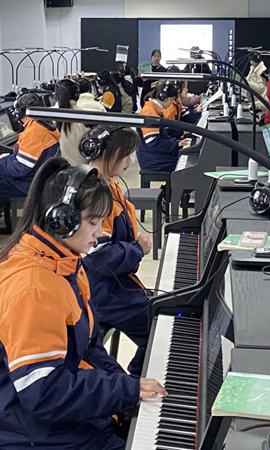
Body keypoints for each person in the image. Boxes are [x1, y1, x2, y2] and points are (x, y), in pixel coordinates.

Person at [0, 158, 166, 449]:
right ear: (62, 221)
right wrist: (122, 391)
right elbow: (43, 392)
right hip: (30, 430)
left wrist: (124, 391)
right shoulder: (33, 288)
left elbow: (88, 348)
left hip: (55, 413)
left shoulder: (67, 264)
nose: (100, 232)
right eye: (92, 222)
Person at [80, 127, 152, 376]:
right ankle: (137, 380)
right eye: (125, 155)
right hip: (104, 294)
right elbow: (100, 258)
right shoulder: (95, 196)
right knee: (161, 324)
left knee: (166, 306)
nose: (129, 161)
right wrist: (137, 249)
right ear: (105, 153)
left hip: (118, 285)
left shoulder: (109, 185)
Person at [0, 93, 60, 201]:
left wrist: (2, 162)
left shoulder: (33, 132)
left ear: (19, 113)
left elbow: (20, 168)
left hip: (32, 183)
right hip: (43, 177)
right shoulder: (44, 124)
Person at [137, 81, 189, 172]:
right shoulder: (149, 112)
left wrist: (177, 142)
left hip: (153, 156)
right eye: (171, 100)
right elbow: (153, 142)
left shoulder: (154, 110)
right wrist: (176, 144)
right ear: (163, 98)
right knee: (185, 167)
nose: (171, 104)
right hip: (152, 160)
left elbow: (162, 137)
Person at [54, 79, 89, 165]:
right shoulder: (86, 117)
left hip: (56, 168)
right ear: (77, 95)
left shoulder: (47, 116)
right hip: (82, 168)